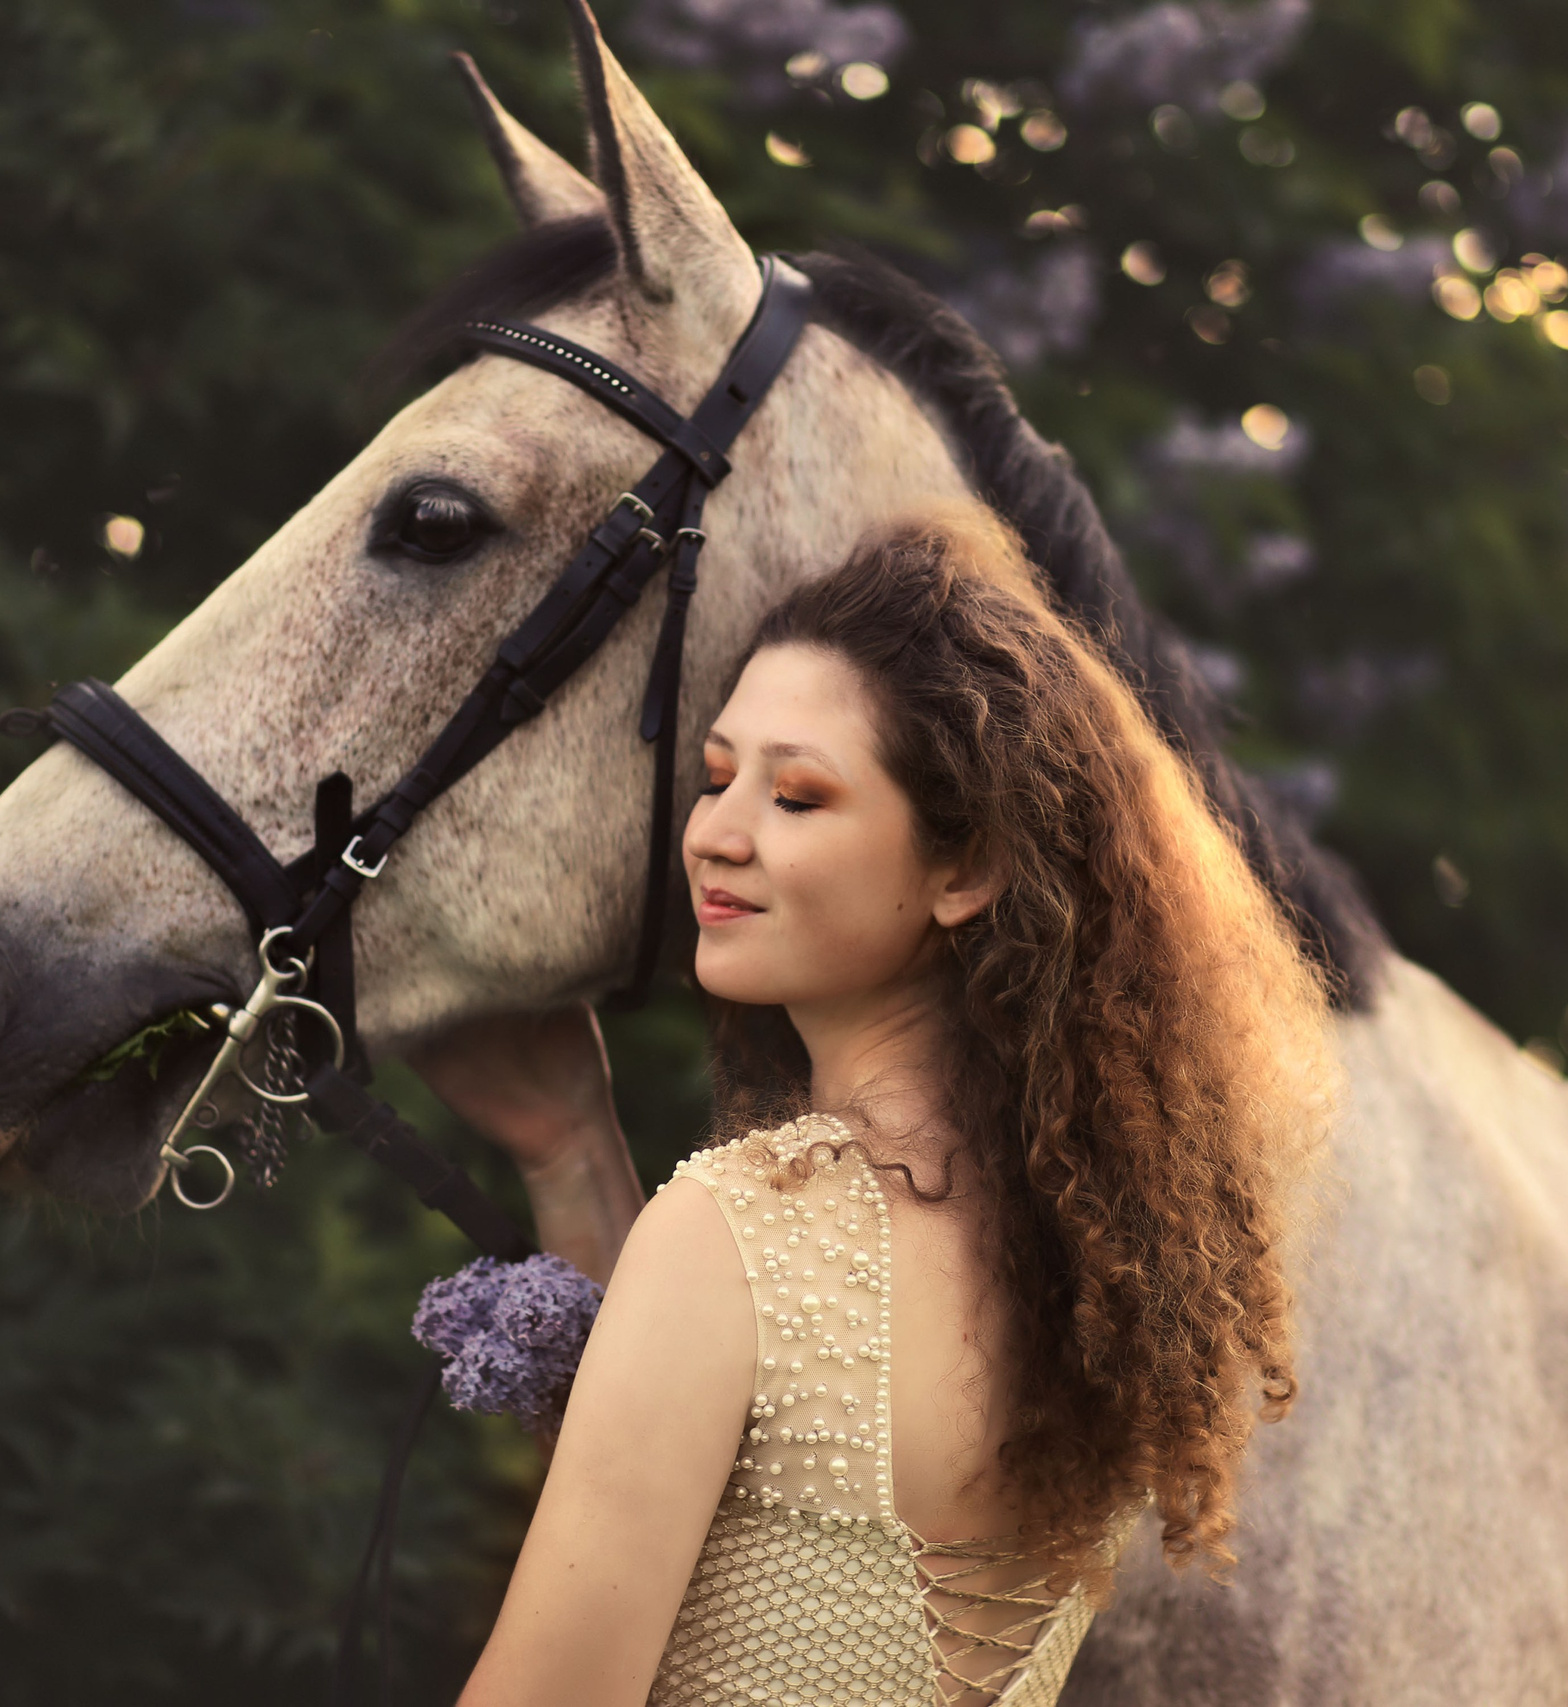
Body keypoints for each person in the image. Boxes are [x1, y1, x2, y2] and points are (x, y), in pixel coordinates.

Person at [433, 506, 1337, 1707]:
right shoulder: (1092, 1249)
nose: (717, 835)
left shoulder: (741, 1234)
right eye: (716, 780)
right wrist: (568, 1147)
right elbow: (764, 1563)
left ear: (965, 869)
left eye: (796, 798)